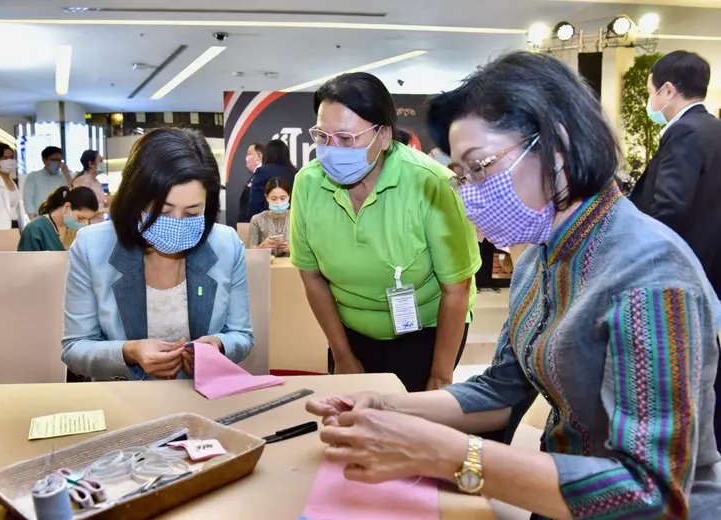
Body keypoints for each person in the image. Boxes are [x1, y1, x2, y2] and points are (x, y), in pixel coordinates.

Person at [306, 51, 721, 519]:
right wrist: (388, 406)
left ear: (556, 146)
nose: (469, 199)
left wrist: (455, 454)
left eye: (480, 168)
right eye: (462, 177)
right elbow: (501, 391)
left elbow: (654, 493)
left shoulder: (650, 275)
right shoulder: (539, 259)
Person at [290, 71, 480, 393]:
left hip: (427, 332)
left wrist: (441, 375)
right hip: (348, 331)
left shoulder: (430, 183)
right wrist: (343, 355)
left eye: (347, 138)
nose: (332, 150)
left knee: (412, 427)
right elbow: (311, 277)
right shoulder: (308, 183)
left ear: (384, 135)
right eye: (322, 137)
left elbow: (457, 288)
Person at [62, 128, 254, 381]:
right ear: (135, 200)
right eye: (163, 212)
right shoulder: (92, 246)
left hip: (201, 398)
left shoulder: (225, 244)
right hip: (125, 398)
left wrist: (218, 346)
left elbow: (242, 335)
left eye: (192, 213)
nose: (177, 223)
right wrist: (129, 352)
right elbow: (75, 348)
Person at [630, 51, 721, 300]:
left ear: (668, 90)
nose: (650, 101)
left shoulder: (684, 131)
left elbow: (669, 207)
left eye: (651, 92)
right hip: (709, 262)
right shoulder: (713, 127)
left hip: (679, 267)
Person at [18, 186, 98, 252]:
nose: (84, 223)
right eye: (81, 218)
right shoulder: (35, 229)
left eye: (88, 220)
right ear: (67, 207)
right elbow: (26, 264)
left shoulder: (75, 231)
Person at [246, 139, 297, 220]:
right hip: (292, 222)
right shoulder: (295, 173)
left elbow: (255, 203)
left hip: (266, 223)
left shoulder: (262, 172)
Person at [22, 146, 72, 219]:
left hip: (60, 217)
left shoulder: (64, 177)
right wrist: (32, 218)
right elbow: (28, 199)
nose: (57, 163)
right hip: (40, 217)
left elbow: (72, 192)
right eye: (53, 160)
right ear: (44, 160)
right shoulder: (33, 176)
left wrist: (67, 173)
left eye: (59, 160)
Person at [249, 177, 291, 257]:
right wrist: (262, 247)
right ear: (266, 197)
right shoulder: (257, 220)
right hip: (266, 265)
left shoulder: (297, 218)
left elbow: (308, 249)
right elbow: (251, 253)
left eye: (283, 198)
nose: (278, 203)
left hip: (291, 266)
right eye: (274, 199)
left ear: (289, 197)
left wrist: (293, 249)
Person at [72, 150, 107, 215]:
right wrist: (104, 210)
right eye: (101, 161)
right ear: (91, 164)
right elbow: (84, 209)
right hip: (88, 223)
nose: (104, 164)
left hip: (99, 221)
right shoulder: (80, 182)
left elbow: (100, 203)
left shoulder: (97, 182)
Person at [238, 143, 263, 223]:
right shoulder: (254, 177)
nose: (246, 158)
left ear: (259, 156)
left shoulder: (262, 176)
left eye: (249, 154)